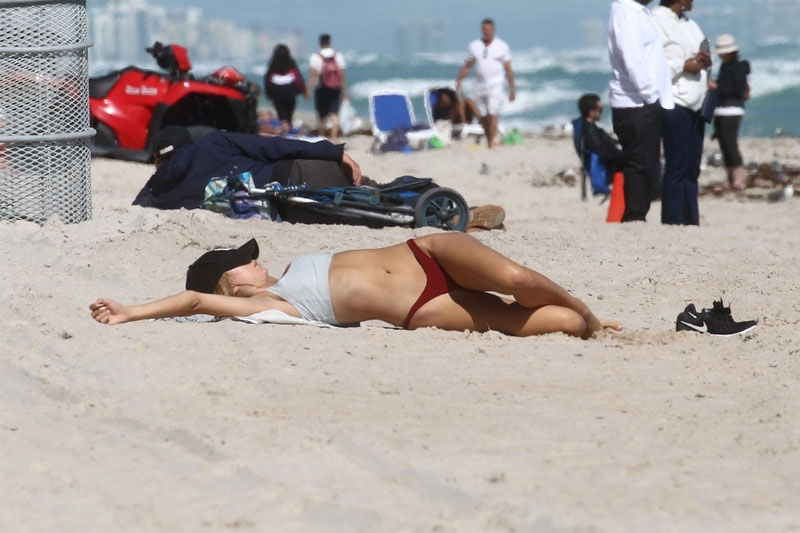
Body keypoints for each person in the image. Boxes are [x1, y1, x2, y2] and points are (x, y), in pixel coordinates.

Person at [89, 234, 622, 339]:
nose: (255, 261)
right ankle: (585, 322)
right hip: (422, 307)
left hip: (427, 253)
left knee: (519, 280)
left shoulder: (290, 271)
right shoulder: (272, 306)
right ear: (232, 283)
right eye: (244, 264)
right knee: (555, 324)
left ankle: (593, 315)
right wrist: (129, 312)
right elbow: (193, 300)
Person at [132, 126, 363, 210]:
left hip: (288, 203)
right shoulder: (213, 143)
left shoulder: (160, 195)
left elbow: (139, 203)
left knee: (365, 196)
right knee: (369, 187)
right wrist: (333, 151)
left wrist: (156, 179)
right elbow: (274, 146)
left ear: (158, 160)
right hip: (299, 171)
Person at [607, 0, 674, 222]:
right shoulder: (626, 13)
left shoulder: (639, 12)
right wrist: (650, 95)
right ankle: (634, 217)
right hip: (634, 102)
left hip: (643, 101)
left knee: (647, 162)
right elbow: (632, 59)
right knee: (639, 163)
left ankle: (639, 214)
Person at [653, 0, 711, 226]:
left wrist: (705, 61)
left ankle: (691, 221)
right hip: (674, 101)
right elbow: (650, 63)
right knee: (676, 166)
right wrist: (682, 65)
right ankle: (673, 221)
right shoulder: (656, 20)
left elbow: (702, 57)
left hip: (698, 102)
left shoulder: (690, 24)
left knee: (692, 168)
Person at [455, 18, 515, 148]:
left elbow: (508, 68)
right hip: (479, 84)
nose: (486, 32)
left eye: (489, 29)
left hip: (496, 84)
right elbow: (467, 65)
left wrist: (512, 89)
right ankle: (489, 140)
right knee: (483, 114)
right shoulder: (474, 46)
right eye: (484, 29)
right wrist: (459, 80)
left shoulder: (501, 46)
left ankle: (492, 141)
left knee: (493, 112)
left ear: (493, 30)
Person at [709, 34, 750, 191]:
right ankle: (730, 178)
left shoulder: (738, 67)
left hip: (732, 109)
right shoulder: (724, 67)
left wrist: (716, 87)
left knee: (730, 144)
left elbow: (736, 90)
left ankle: (738, 178)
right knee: (724, 144)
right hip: (721, 110)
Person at [306, 34, 347, 140]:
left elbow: (313, 75)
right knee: (334, 114)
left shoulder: (316, 56)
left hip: (322, 88)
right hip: (335, 88)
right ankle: (333, 137)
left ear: (320, 42)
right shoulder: (338, 55)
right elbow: (342, 74)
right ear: (330, 42)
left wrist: (308, 90)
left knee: (322, 115)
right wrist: (344, 90)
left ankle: (322, 137)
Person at [263, 44, 306, 134]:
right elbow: (298, 78)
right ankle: (287, 130)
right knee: (289, 113)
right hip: (290, 91)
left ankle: (284, 129)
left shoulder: (273, 64)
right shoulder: (291, 63)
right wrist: (302, 90)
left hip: (277, 91)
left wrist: (268, 93)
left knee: (282, 114)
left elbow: (268, 79)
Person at [577, 93, 624, 173]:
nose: (602, 112)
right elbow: (602, 151)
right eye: (600, 110)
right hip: (608, 168)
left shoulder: (588, 127)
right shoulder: (589, 131)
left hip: (609, 163)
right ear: (591, 112)